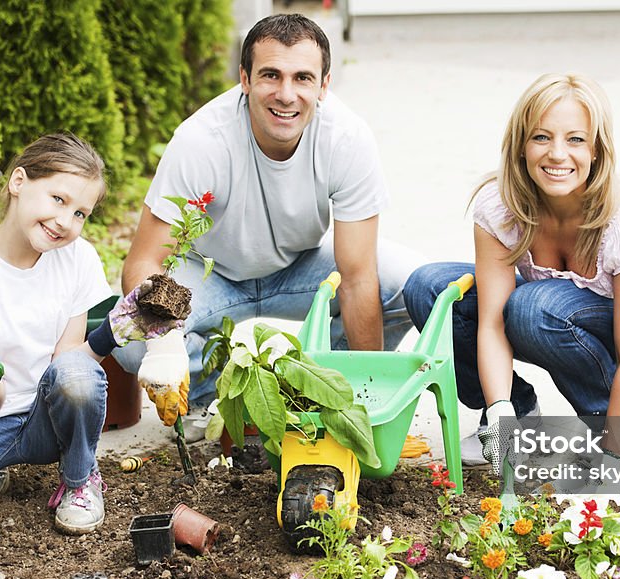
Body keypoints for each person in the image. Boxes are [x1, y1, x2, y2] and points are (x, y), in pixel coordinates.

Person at [112, 14, 422, 435]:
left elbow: (358, 277)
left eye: (303, 78)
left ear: (324, 85)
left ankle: (327, 393)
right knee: (132, 337)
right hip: (210, 272)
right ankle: (210, 397)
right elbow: (145, 260)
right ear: (244, 77)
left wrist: (362, 400)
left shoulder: (346, 139)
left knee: (407, 285)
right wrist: (165, 344)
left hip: (301, 265)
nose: (286, 94)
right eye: (270, 75)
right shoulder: (201, 140)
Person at [0, 133, 180, 536]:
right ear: (19, 182)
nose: (65, 221)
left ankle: (79, 481)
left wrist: (114, 332)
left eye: (81, 213)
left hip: (49, 418)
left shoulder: (77, 258)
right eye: (58, 199)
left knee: (77, 379)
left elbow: (69, 369)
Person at [403, 72, 620, 473]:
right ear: (520, 146)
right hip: (547, 307)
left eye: (575, 139)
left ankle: (611, 411)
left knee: (533, 307)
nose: (557, 154)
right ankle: (519, 414)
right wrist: (500, 412)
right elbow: (492, 323)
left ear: (597, 150)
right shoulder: (500, 207)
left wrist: (611, 462)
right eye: (541, 137)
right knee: (429, 288)